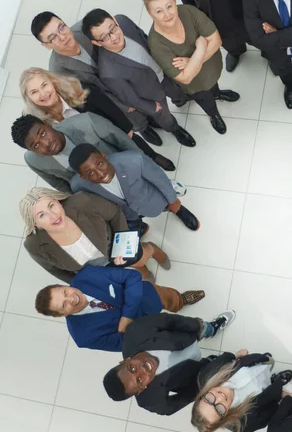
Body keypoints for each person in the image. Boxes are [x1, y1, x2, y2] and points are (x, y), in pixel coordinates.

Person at [30, 11, 160, 145]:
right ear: (45, 45)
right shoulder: (58, 72)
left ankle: (154, 118)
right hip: (110, 99)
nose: (63, 37)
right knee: (133, 117)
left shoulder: (86, 29)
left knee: (148, 102)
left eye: (61, 28)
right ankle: (144, 128)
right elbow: (90, 98)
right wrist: (123, 105)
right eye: (53, 38)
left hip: (124, 77)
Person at [20, 67, 175, 171]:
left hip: (111, 133)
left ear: (52, 82)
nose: (43, 94)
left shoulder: (79, 90)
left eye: (44, 85)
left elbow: (111, 109)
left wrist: (126, 130)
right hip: (88, 154)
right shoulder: (37, 123)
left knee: (136, 147)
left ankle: (153, 158)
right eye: (34, 92)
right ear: (29, 98)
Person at [81, 8, 196, 148]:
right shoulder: (109, 72)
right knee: (164, 117)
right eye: (105, 37)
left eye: (113, 28)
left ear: (115, 21)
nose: (114, 37)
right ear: (97, 43)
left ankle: (180, 100)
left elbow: (144, 37)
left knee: (177, 91)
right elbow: (129, 98)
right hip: (151, 94)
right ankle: (175, 129)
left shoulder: (124, 21)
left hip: (163, 72)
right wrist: (151, 107)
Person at [34, 265, 205, 352]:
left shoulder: (86, 275)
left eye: (65, 292)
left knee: (171, 299)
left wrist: (127, 316)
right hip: (149, 331)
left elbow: (132, 276)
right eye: (64, 305)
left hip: (148, 297)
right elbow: (125, 344)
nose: (72, 298)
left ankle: (180, 301)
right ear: (61, 315)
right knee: (179, 333)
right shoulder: (83, 337)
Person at [145, 0, 239, 135]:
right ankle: (213, 114)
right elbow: (186, 77)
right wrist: (201, 48)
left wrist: (192, 62)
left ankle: (217, 93)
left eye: (169, 6)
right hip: (195, 83)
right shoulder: (156, 43)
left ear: (175, 3)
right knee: (204, 98)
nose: (167, 14)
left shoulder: (188, 11)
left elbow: (216, 41)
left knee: (213, 84)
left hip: (210, 66)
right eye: (159, 11)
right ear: (151, 14)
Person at [102, 311, 236, 415]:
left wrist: (197, 326)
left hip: (187, 336)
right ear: (141, 390)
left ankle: (211, 328)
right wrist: (202, 385)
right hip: (194, 372)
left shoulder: (134, 332)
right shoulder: (150, 400)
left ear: (125, 360)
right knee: (223, 366)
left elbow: (169, 321)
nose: (143, 370)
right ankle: (213, 361)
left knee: (204, 328)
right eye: (139, 380)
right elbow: (173, 405)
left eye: (132, 368)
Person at [21, 187, 165, 283]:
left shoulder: (82, 202)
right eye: (42, 215)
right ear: (35, 224)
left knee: (138, 258)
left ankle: (149, 251)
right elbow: (54, 270)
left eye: (51, 206)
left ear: (58, 202)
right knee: (121, 277)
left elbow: (115, 213)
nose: (53, 216)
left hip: (114, 246)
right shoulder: (34, 245)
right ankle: (139, 269)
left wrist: (121, 248)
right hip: (96, 270)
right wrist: (83, 283)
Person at [68, 144, 200, 232]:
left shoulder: (135, 160)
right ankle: (140, 226)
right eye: (90, 173)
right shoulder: (79, 186)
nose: (101, 174)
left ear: (104, 156)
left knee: (168, 205)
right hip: (128, 213)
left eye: (100, 164)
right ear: (83, 177)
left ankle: (178, 210)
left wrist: (173, 201)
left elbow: (160, 180)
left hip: (152, 200)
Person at [11, 113, 139, 193]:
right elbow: (62, 186)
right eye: (36, 145)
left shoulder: (87, 122)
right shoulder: (33, 161)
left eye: (43, 133)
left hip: (126, 173)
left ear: (47, 124)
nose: (46, 143)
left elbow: (124, 143)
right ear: (31, 150)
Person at [190, 349, 292, 432]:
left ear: (202, 395)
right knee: (272, 382)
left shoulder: (207, 375)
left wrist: (235, 356)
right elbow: (268, 414)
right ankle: (276, 380)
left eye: (208, 399)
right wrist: (280, 395)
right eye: (219, 410)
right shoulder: (245, 424)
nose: (219, 398)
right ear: (224, 418)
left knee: (267, 360)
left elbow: (224, 358)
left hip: (252, 363)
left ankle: (264, 362)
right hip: (268, 389)